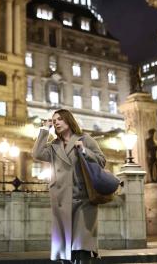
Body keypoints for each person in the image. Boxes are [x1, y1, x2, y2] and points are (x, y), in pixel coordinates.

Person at [32, 109, 106, 264]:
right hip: (60, 200)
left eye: (59, 119)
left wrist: (84, 151)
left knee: (82, 245)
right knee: (64, 248)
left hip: (83, 200)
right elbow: (37, 153)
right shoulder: (54, 145)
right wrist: (45, 129)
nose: (56, 122)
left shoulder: (85, 139)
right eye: (54, 121)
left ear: (68, 120)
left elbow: (101, 161)